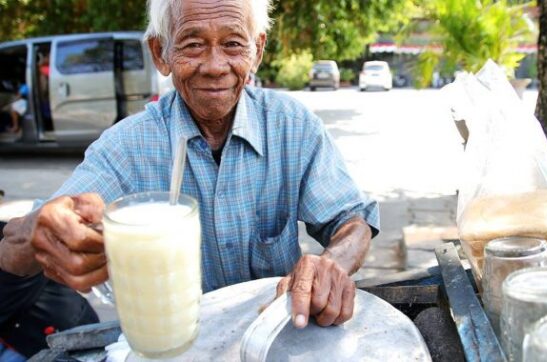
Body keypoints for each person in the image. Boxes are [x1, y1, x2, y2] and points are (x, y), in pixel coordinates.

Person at [0, 0, 380, 354]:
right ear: (160, 53)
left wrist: (332, 263)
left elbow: (352, 220)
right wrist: (42, 231)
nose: (215, 65)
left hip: (278, 341)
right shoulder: (127, 146)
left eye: (233, 44)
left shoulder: (292, 126)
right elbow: (32, 234)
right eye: (193, 45)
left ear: (257, 51)